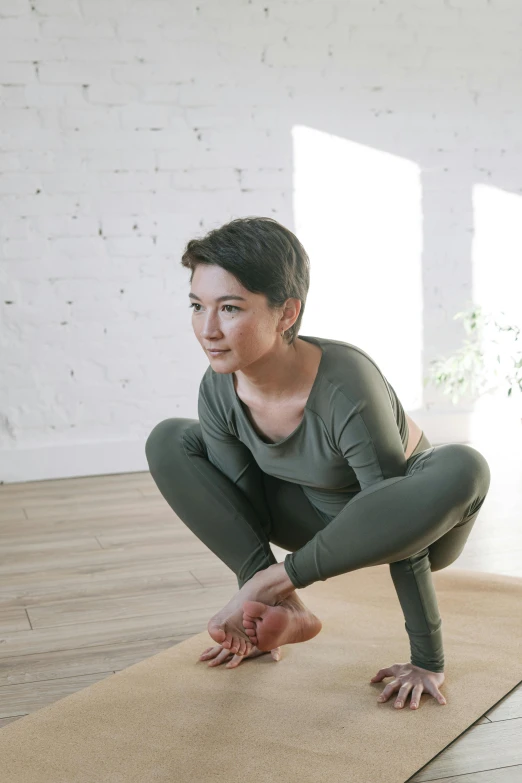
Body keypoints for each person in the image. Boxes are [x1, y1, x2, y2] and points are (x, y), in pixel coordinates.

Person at [145, 217, 491, 711]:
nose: (208, 329)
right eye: (198, 306)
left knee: (464, 463)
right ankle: (282, 603)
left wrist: (427, 659)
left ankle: (272, 583)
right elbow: (238, 504)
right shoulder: (219, 388)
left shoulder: (346, 382)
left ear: (287, 313)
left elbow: (391, 513)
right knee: (170, 439)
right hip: (311, 527)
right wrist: (255, 616)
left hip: (412, 530)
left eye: (230, 308)